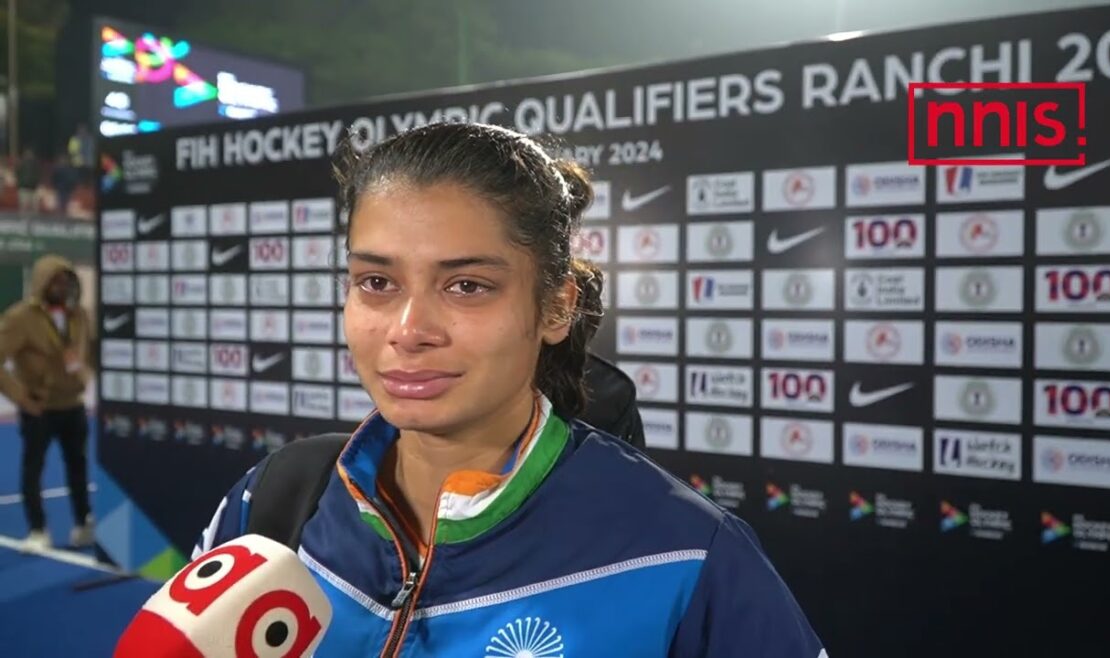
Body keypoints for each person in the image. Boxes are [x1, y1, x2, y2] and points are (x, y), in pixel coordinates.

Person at [192, 122, 826, 656]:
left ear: (556, 307)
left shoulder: (687, 556)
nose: (408, 331)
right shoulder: (272, 501)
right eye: (376, 283)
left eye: (466, 286)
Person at [0, 255, 94, 550]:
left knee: (78, 467)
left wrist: (85, 376)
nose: (61, 286)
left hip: (73, 404)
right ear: (41, 282)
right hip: (39, 408)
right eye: (55, 280)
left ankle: (83, 523)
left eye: (65, 280)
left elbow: (89, 349)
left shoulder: (78, 315)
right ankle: (37, 530)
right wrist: (21, 397)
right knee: (33, 470)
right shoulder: (20, 317)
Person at [16, 148, 40, 214]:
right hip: (25, 186)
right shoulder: (22, 163)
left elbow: (38, 174)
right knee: (25, 205)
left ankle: (30, 217)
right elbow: (17, 173)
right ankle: (24, 217)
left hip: (31, 186)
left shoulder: (35, 164)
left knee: (32, 205)